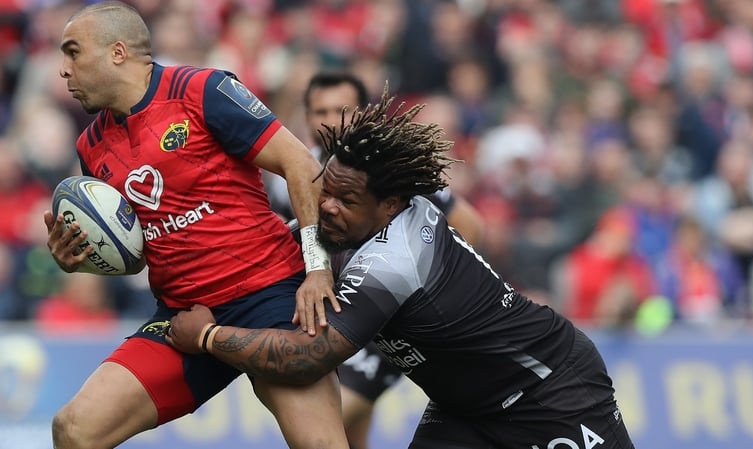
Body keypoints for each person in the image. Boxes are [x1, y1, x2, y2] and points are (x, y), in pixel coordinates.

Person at [167, 86, 637, 449]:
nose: (326, 206)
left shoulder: (394, 261)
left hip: (550, 389)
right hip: (465, 409)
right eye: (326, 190)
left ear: (390, 205)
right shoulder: (345, 225)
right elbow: (259, 254)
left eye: (346, 200)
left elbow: (306, 358)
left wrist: (208, 337)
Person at [44, 2, 348, 448]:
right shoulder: (91, 145)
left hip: (270, 298)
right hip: (183, 319)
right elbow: (138, 249)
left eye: (73, 52)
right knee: (73, 430)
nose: (63, 70)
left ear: (118, 52)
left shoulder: (202, 90)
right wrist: (83, 255)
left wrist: (317, 268)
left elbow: (300, 164)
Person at [286, 70, 485, 449]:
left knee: (326, 425)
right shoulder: (298, 175)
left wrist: (435, 293)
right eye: (319, 111)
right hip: (339, 317)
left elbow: (470, 225)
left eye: (341, 110)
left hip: (388, 326)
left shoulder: (387, 171)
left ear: (362, 114)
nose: (330, 120)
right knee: (349, 437)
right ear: (306, 117)